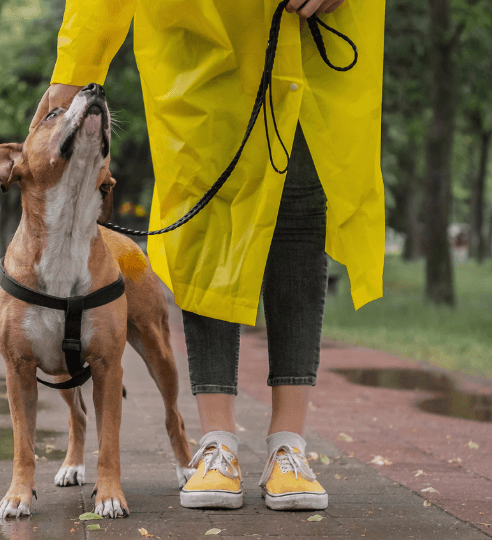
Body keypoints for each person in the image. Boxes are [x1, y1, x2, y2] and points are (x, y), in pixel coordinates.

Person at [30, 0, 386, 511]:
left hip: (308, 29)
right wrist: (76, 69)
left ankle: (290, 446)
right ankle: (216, 443)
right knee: (206, 224)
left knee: (301, 213)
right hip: (196, 34)